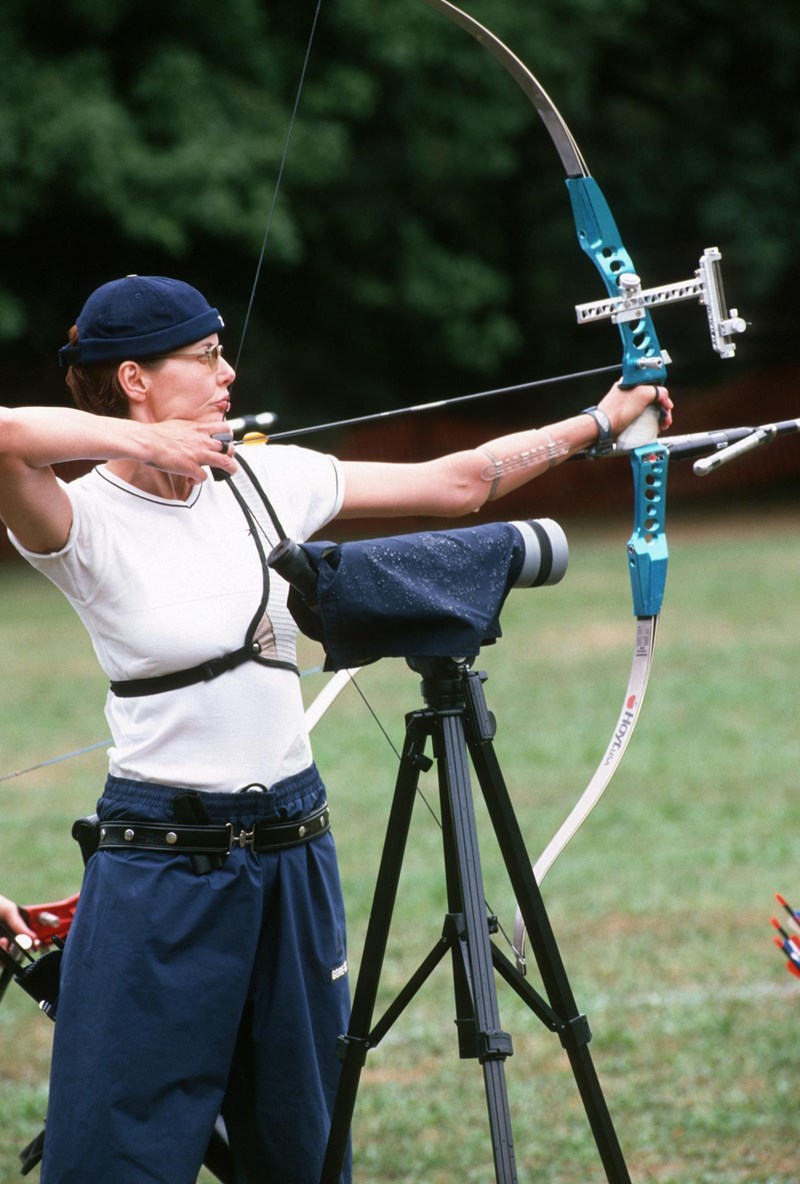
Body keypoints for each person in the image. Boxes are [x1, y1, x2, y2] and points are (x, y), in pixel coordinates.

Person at [0, 275, 672, 1184]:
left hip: (294, 855)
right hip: (161, 865)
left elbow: (460, 482)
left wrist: (598, 420)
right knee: (110, 1158)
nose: (228, 372)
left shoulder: (265, 475)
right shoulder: (81, 519)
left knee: (305, 1150)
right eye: (204, 358)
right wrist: (146, 443)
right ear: (134, 379)